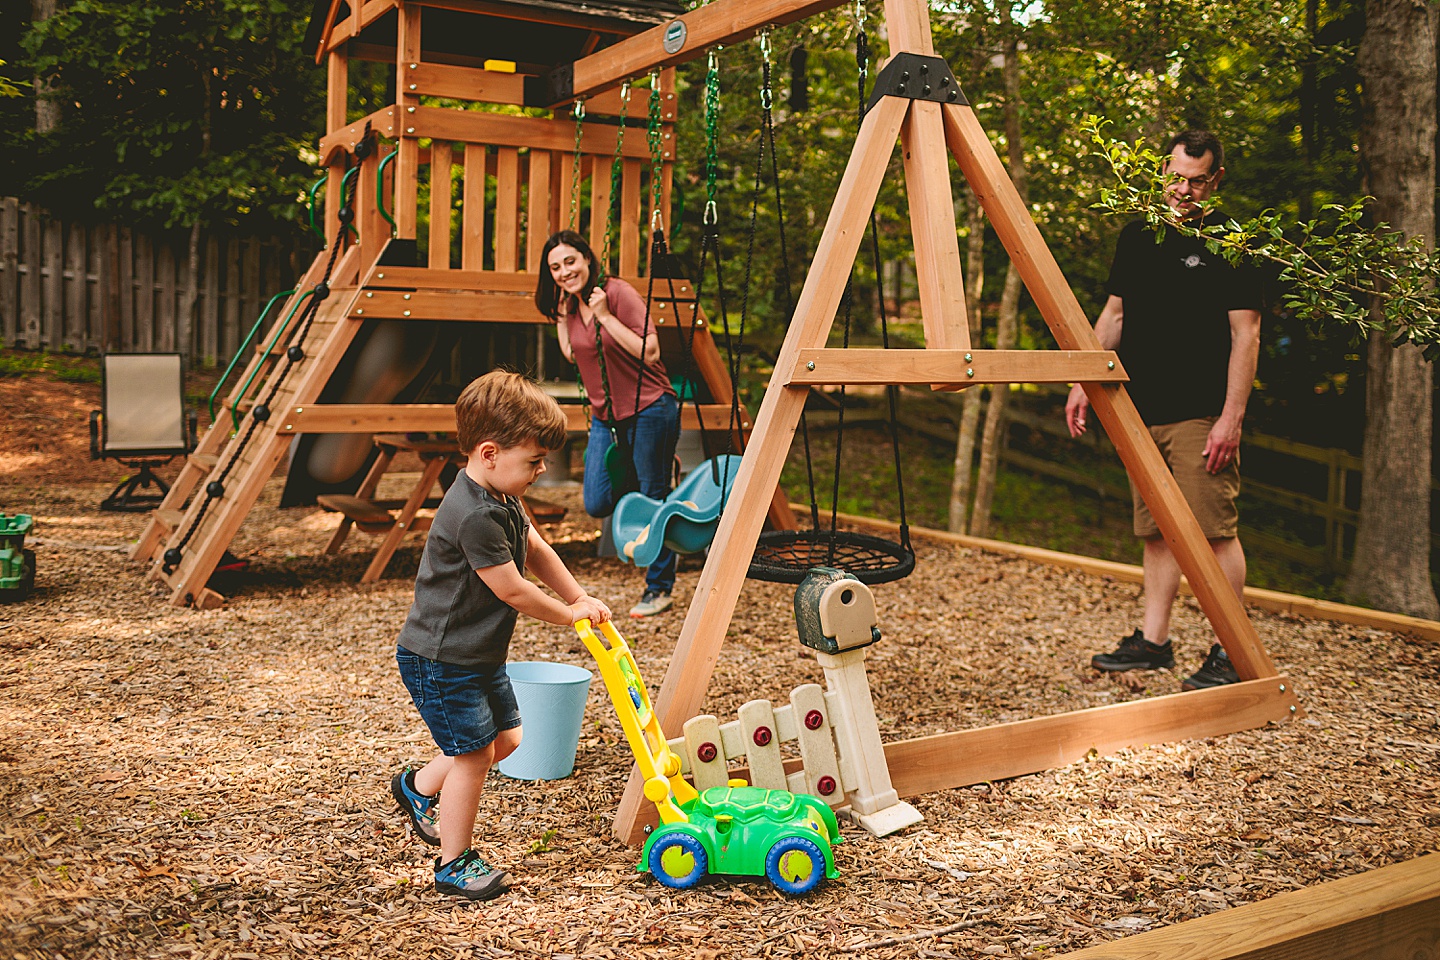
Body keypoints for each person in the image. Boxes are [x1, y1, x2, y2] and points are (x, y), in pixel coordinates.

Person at [390, 370, 611, 901]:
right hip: (441, 658)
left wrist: (579, 596)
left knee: (505, 742)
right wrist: (569, 616)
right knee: (471, 755)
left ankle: (417, 788)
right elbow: (513, 589)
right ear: (490, 453)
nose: (542, 469)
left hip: (477, 654)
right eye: (534, 461)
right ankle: (453, 864)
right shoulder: (473, 514)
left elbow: (536, 550)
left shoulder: (504, 497)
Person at [1065, 130, 1262, 692]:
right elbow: (1115, 315)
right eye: (1176, 177)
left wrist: (1231, 418)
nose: (1185, 189)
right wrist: (1085, 381)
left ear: (1216, 179)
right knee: (1156, 533)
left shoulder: (1233, 241)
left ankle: (1231, 649)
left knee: (1213, 534)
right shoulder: (1138, 236)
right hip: (1138, 410)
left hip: (1200, 413)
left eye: (1198, 180)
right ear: (1162, 172)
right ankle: (1154, 644)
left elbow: (1245, 334)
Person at [535, 229, 681, 619]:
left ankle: (659, 587)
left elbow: (650, 351)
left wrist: (604, 316)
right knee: (597, 500)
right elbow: (571, 352)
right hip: (606, 417)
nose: (565, 272)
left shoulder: (616, 292)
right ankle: (651, 482)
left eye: (570, 261)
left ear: (587, 259)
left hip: (651, 407)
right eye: (555, 268)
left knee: (654, 495)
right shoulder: (569, 305)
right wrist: (561, 313)